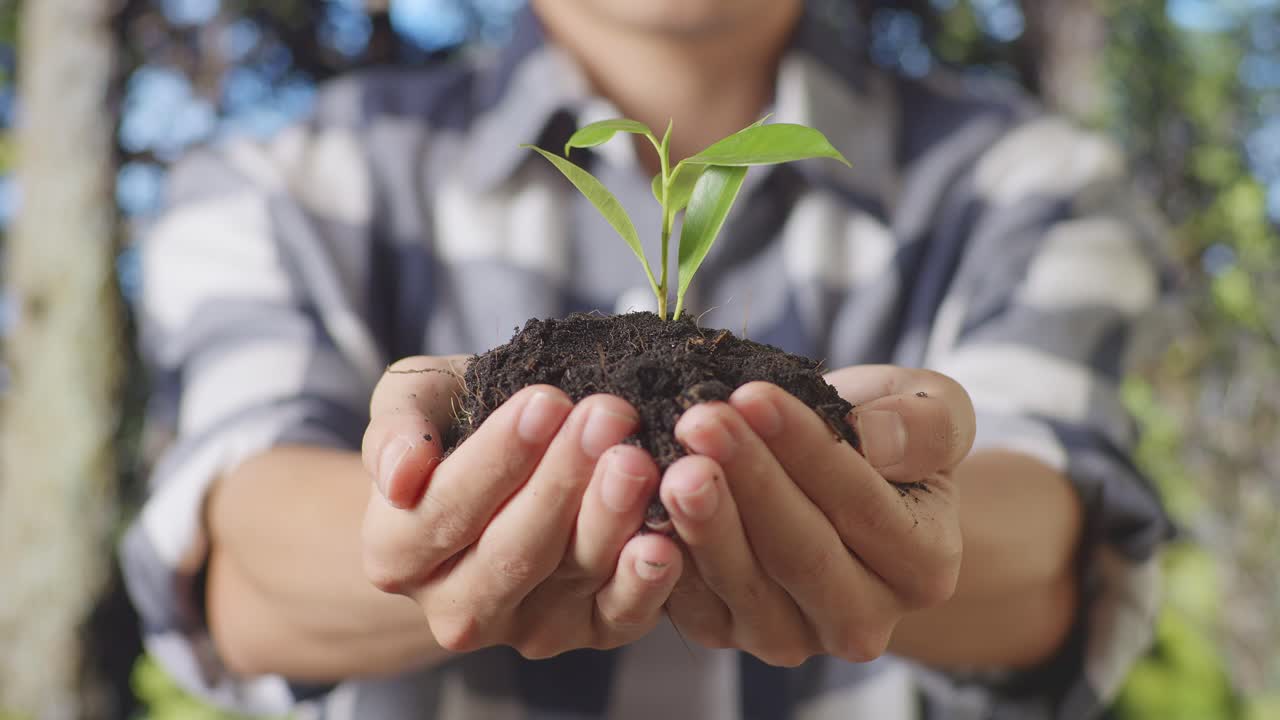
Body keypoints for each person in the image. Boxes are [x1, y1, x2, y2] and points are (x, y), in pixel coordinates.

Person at [120, 1, 1173, 717]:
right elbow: (238, 556)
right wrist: (417, 516)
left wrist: (895, 494)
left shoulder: (1026, 179)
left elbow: (1053, 539)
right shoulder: (285, 182)